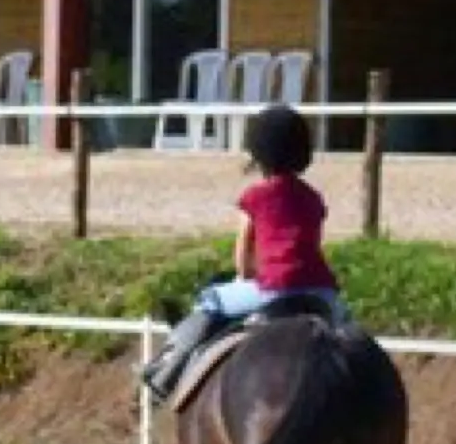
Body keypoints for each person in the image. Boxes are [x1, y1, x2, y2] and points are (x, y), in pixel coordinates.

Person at [140, 103, 345, 404]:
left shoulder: (255, 197)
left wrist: (245, 275)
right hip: (321, 292)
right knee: (347, 333)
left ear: (258, 152)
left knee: (209, 300)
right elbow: (309, 247)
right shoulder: (314, 198)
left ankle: (166, 371)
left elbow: (244, 263)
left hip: (274, 290)